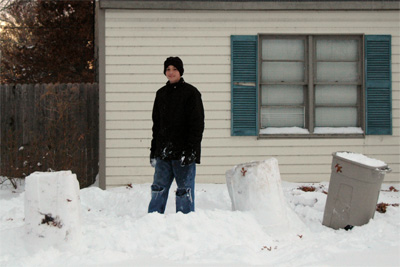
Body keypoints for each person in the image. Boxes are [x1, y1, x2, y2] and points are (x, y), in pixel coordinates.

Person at [148, 57, 205, 214]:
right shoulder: (161, 94)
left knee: (184, 190)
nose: (171, 72)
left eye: (174, 69)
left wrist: (190, 151)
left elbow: (197, 125)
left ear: (180, 71)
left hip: (183, 153)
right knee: (158, 188)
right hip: (163, 153)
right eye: (168, 69)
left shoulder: (191, 93)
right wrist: (154, 151)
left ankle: (184, 222)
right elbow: (156, 126)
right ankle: (153, 219)